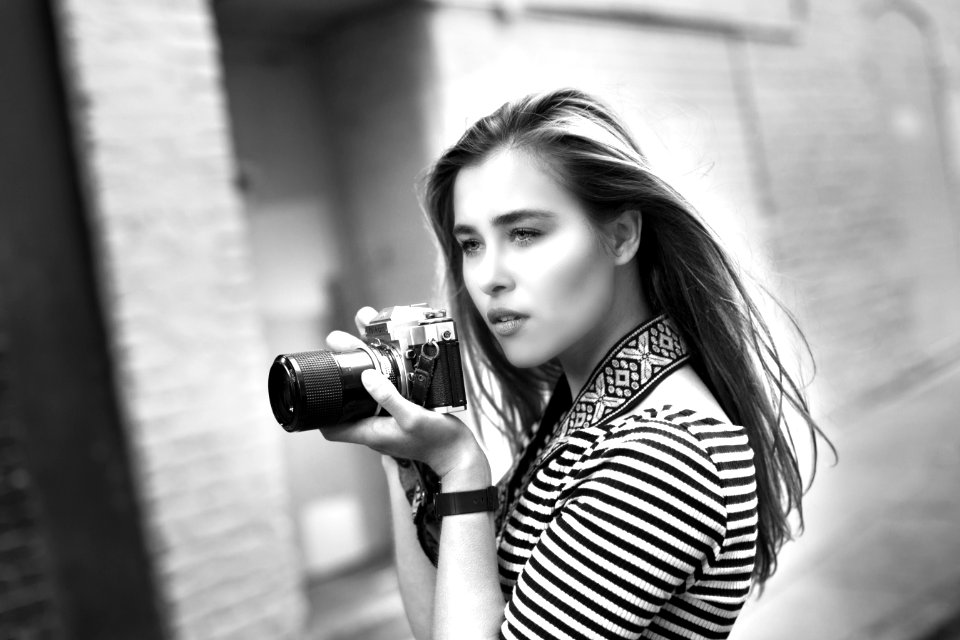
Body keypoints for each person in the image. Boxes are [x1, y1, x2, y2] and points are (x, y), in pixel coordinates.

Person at [322, 88, 830, 639]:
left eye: (525, 233)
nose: (489, 276)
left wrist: (461, 468)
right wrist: (400, 457)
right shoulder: (584, 418)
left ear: (620, 236)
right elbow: (438, 626)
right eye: (470, 244)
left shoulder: (660, 457)